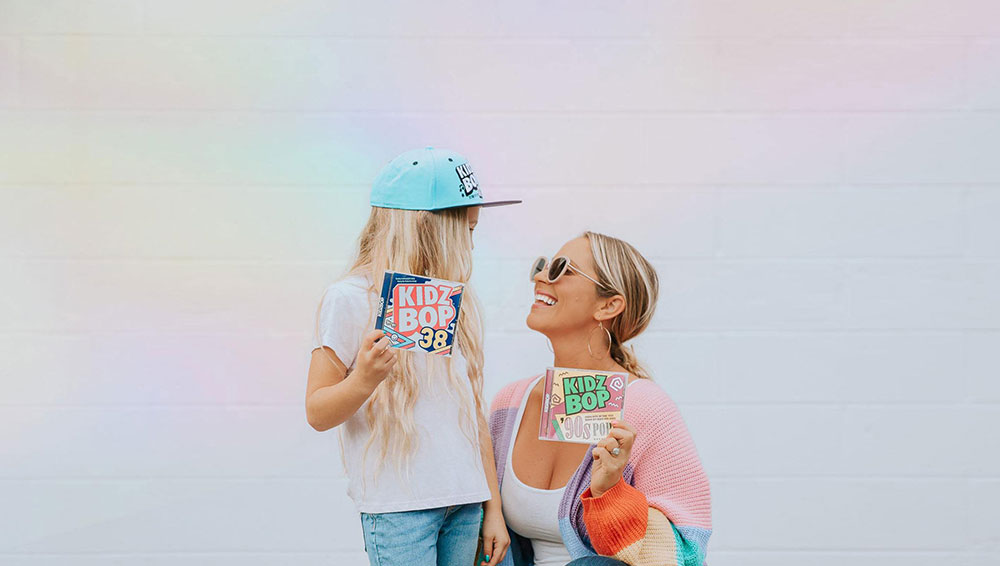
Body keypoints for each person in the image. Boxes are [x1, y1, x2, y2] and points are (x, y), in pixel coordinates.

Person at [306, 147, 520, 566]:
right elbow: (317, 411)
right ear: (427, 227)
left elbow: (470, 413)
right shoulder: (350, 299)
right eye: (466, 231)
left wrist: (492, 507)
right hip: (399, 508)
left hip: (463, 503)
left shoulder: (453, 300)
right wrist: (363, 379)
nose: (471, 246)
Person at [489, 232, 712, 566]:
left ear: (609, 305)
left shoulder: (646, 409)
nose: (539, 277)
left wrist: (610, 492)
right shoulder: (510, 404)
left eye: (562, 269)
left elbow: (688, 553)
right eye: (543, 266)